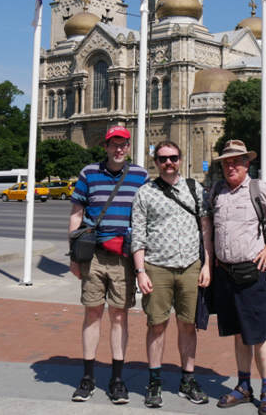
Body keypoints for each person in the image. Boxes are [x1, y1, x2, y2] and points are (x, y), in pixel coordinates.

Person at [205, 140, 266, 413]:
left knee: (257, 335)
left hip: (251, 273)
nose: (230, 166)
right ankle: (244, 386)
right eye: (226, 162)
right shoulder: (216, 192)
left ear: (247, 164)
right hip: (225, 274)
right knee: (237, 334)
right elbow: (209, 232)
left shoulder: (258, 188)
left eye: (236, 161)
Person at [68, 126, 150, 404]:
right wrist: (73, 256)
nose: (118, 149)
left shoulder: (140, 175)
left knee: (119, 316)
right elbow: (76, 214)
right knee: (92, 314)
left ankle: (116, 379)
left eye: (123, 144)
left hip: (124, 258)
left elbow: (148, 217)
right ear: (105, 146)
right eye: (114, 144)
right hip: (93, 256)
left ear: (128, 146)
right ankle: (88, 378)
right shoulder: (88, 173)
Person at [131, 141, 214, 407]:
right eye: (163, 158)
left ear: (181, 159)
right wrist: (140, 271)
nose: (169, 162)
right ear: (155, 162)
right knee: (156, 324)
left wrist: (207, 263)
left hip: (190, 266)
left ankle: (187, 381)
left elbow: (206, 229)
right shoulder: (145, 193)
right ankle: (154, 382)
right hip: (157, 267)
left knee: (188, 325)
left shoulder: (194, 189)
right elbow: (138, 236)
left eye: (174, 158)